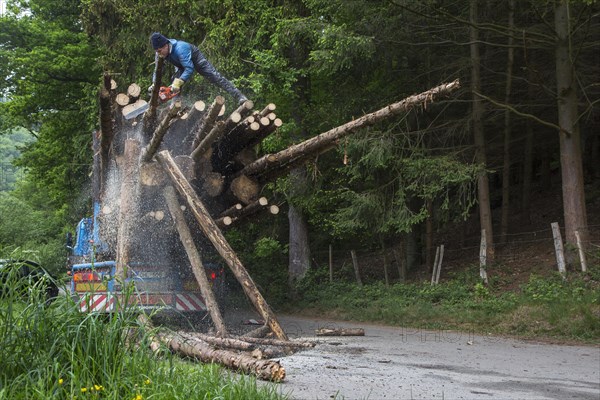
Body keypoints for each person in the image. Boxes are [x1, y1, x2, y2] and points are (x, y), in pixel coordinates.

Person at [149, 32, 248, 105]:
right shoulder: (159, 53)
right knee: (173, 84)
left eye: (160, 50)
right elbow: (158, 70)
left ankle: (239, 96)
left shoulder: (180, 48)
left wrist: (179, 82)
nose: (159, 53)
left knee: (215, 77)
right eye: (157, 51)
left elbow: (189, 68)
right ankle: (174, 106)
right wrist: (154, 83)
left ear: (165, 45)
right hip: (180, 65)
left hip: (196, 60)